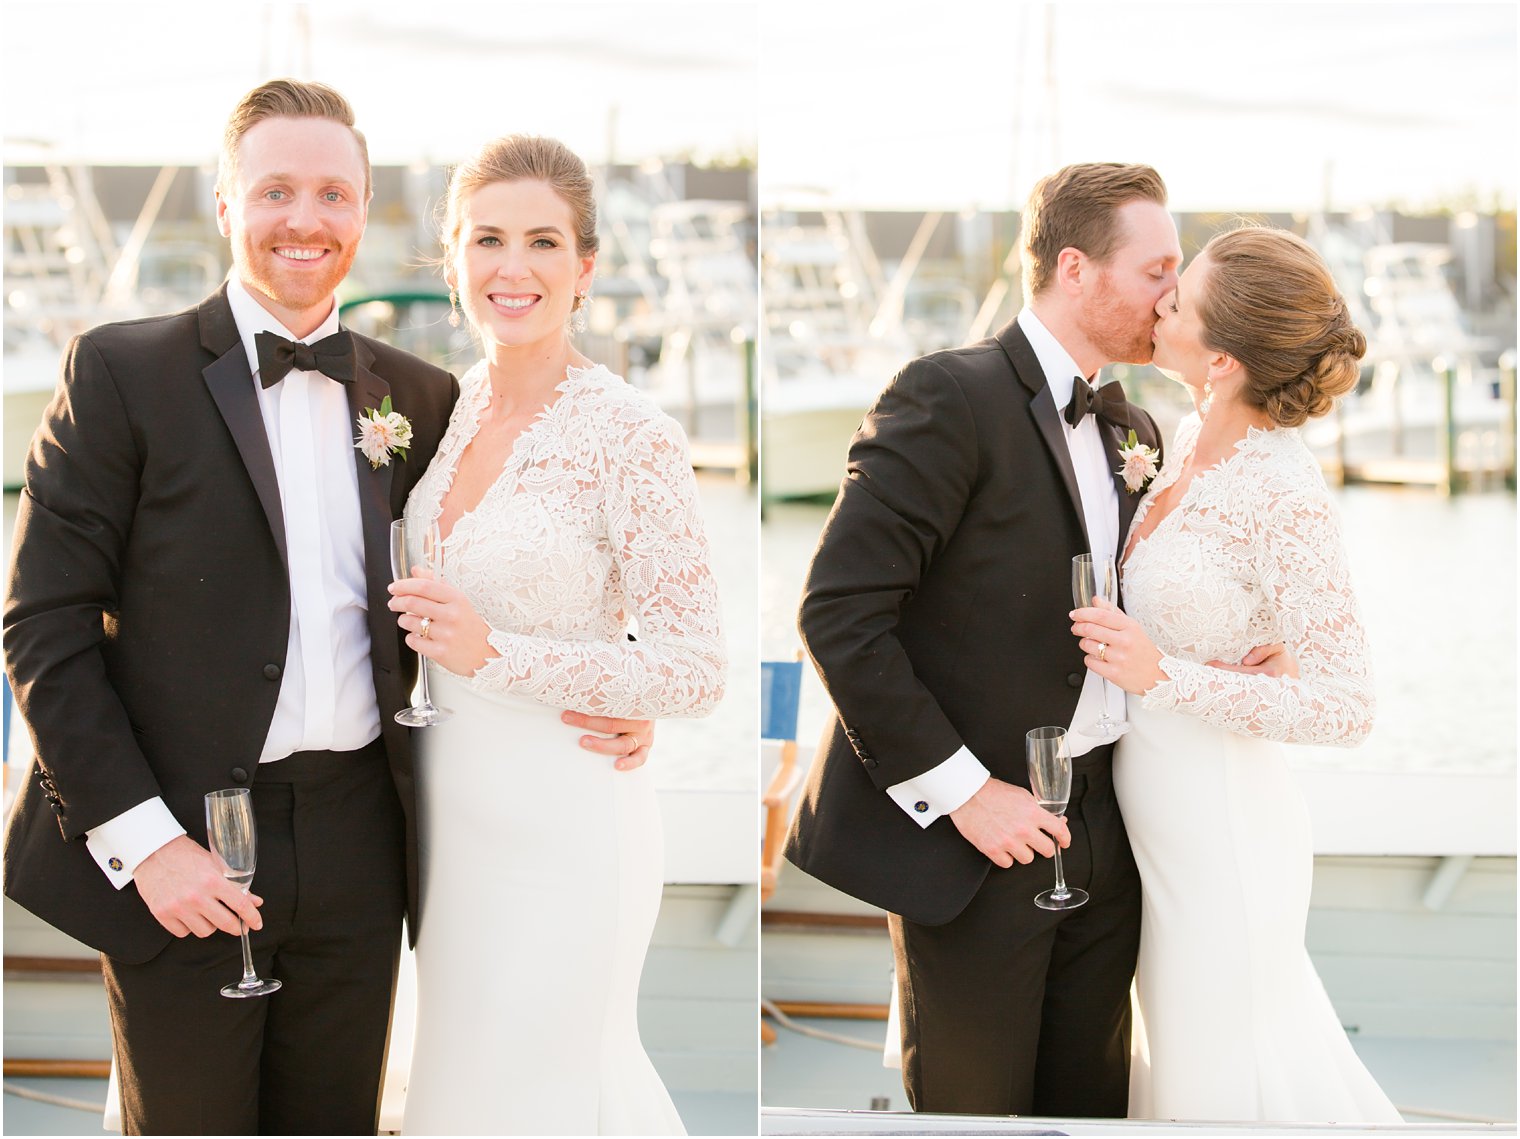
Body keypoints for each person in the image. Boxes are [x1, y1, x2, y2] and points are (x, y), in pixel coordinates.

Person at [2, 80, 651, 1135]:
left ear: (363, 212)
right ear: (224, 204)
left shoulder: (421, 394)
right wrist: (145, 842)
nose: (305, 220)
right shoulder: (121, 372)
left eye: (333, 194)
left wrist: (622, 681)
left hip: (366, 836)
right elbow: (42, 626)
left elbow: (503, 558)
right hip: (187, 831)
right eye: (275, 191)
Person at [786, 163, 1180, 1117]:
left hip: (1105, 830)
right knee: (972, 1115)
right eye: (1158, 270)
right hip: (975, 840)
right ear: (1075, 268)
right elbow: (838, 610)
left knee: (1090, 1106)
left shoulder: (1137, 427)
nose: (1176, 294)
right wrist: (967, 798)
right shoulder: (946, 394)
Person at [385, 135, 725, 1136]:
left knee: (555, 1090)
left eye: (543, 240)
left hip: (564, 824)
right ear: (452, 260)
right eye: (486, 239)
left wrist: (498, 654)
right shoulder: (437, 413)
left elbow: (694, 666)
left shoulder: (632, 431)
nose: (513, 266)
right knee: (460, 1091)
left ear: (584, 266)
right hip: (441, 838)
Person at [1069, 226, 1401, 1122]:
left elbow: (1348, 705)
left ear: (1219, 358)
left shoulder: (1283, 487)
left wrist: (1162, 672)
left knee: (1219, 1066)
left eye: (1177, 298)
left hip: (1224, 826)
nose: (1159, 297)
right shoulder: (1181, 438)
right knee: (1183, 1055)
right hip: (1156, 821)